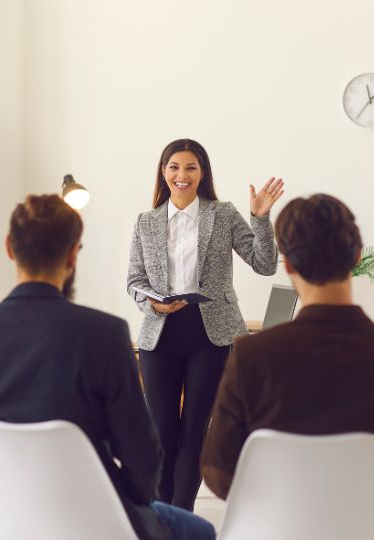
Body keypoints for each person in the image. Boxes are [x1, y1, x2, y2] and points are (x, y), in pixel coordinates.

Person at [0, 194, 215, 540]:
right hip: (93, 519)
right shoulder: (105, 334)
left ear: (9, 248)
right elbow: (143, 462)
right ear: (74, 254)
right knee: (200, 531)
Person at [201, 193, 374, 524]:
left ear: (289, 265)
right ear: (357, 256)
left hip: (274, 527)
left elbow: (218, 473)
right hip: (366, 527)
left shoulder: (253, 355)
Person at [127, 138, 283, 510]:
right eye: (174, 167)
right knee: (161, 430)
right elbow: (133, 280)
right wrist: (149, 301)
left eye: (190, 168)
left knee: (195, 428)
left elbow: (265, 264)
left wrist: (260, 219)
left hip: (210, 333)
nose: (182, 175)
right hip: (161, 332)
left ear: (203, 173)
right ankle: (160, 515)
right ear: (163, 172)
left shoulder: (223, 213)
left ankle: (182, 513)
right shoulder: (146, 222)